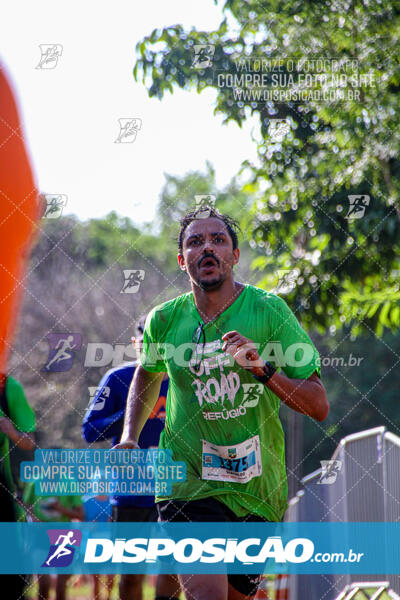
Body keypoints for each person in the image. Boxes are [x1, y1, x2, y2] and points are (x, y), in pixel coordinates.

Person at [115, 207, 329, 600]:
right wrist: (130, 434)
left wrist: (263, 370)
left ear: (234, 255)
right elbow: (148, 371)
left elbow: (318, 405)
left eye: (218, 240)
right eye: (195, 242)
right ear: (183, 261)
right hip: (186, 481)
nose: (207, 248)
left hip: (257, 489)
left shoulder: (270, 313)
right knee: (207, 594)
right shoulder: (164, 319)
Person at [82, 318, 180, 600]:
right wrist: (132, 412)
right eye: (147, 343)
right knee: (131, 573)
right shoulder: (118, 380)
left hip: (176, 490)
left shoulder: (182, 381)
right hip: (130, 492)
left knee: (172, 568)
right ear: (136, 344)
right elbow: (90, 430)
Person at [23, 481, 84, 600]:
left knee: (61, 584)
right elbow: (25, 504)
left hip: (63, 535)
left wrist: (60, 509)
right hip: (40, 535)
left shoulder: (70, 483)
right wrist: (33, 517)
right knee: (43, 583)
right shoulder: (35, 483)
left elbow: (80, 515)